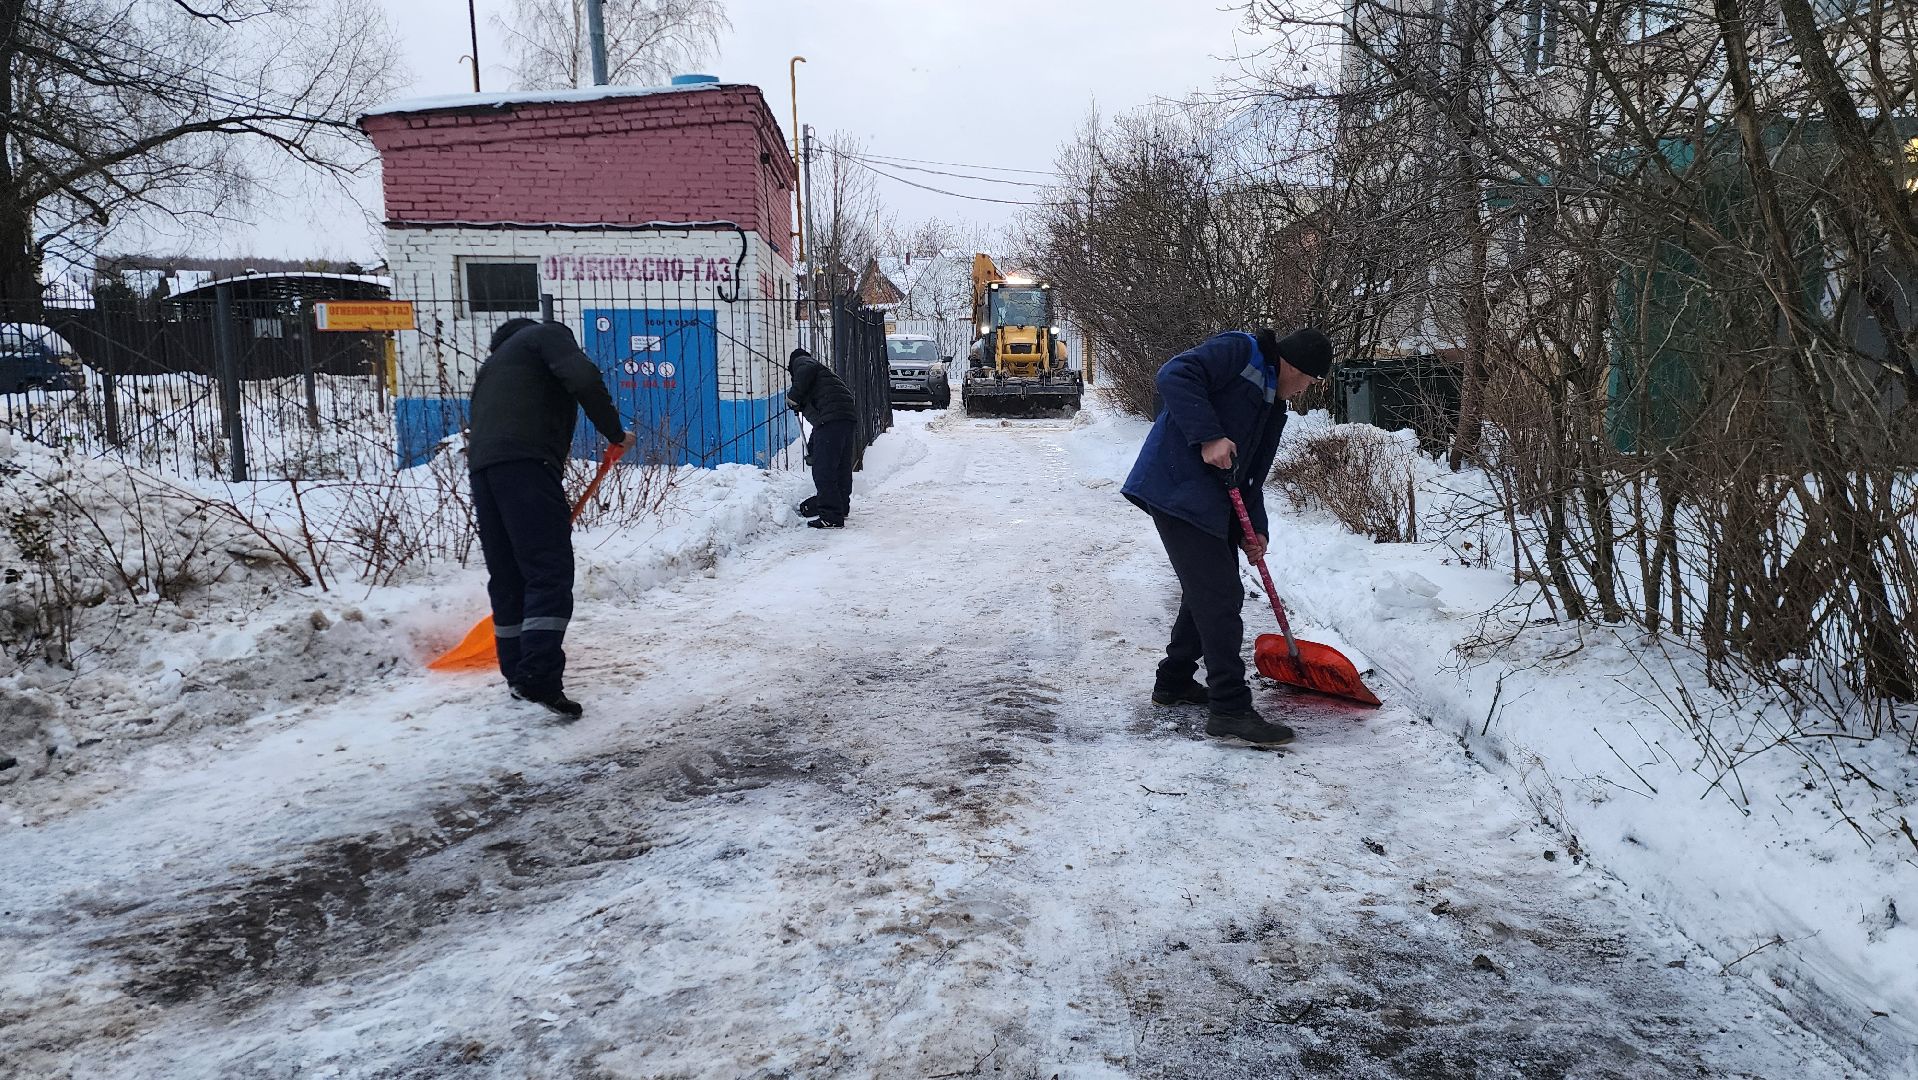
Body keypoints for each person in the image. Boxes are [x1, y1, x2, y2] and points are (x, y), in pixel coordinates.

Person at [1121, 326, 1333, 746]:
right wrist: (1209, 436)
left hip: (1207, 503)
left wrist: (1256, 530)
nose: (1304, 390)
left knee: (1208, 592)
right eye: (1308, 381)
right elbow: (1174, 375)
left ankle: (1174, 680)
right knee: (1219, 595)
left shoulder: (1272, 407)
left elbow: (1249, 476)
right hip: (1176, 489)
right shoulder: (1241, 350)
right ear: (1294, 367)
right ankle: (1230, 708)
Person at [467, 317, 635, 719]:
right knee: (548, 569)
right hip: (528, 464)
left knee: (509, 574)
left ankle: (518, 673)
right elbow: (584, 378)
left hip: (483, 471)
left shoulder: (492, 366)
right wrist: (614, 433)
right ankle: (538, 675)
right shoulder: (546, 335)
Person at [786, 346, 857, 529]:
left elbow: (806, 370)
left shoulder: (802, 362)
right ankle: (841, 507)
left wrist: (793, 397)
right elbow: (820, 428)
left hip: (831, 419)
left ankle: (831, 516)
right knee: (841, 467)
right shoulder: (822, 375)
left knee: (824, 470)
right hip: (845, 416)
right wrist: (813, 449)